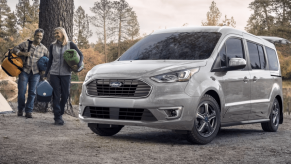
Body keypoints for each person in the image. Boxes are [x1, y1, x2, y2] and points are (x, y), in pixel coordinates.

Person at [44, 27, 83, 125]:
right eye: (55, 33)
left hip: (66, 73)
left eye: (57, 33)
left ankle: (60, 111)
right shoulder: (52, 46)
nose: (56, 35)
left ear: (62, 33)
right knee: (56, 95)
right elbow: (50, 61)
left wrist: (79, 64)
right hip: (54, 73)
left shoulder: (70, 44)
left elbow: (81, 55)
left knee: (65, 95)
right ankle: (57, 117)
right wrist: (45, 73)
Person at [13, 28, 49, 118]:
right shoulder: (26, 44)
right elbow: (14, 49)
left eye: (41, 36)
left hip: (36, 73)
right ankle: (20, 109)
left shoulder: (44, 48)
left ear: (42, 37)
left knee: (32, 92)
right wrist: (22, 53)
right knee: (22, 92)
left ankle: (28, 111)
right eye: (38, 35)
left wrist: (45, 70)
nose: (39, 37)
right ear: (34, 35)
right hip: (24, 71)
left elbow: (49, 60)